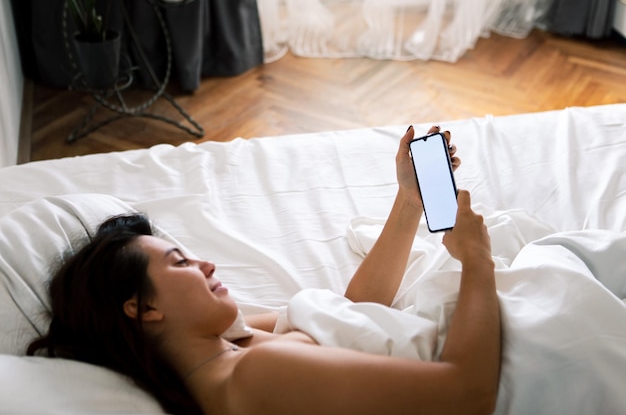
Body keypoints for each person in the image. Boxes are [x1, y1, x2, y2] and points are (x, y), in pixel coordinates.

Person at [27, 126, 500, 415]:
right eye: (181, 262)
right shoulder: (255, 374)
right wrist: (477, 261)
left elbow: (351, 312)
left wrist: (409, 203)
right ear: (145, 307)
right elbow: (468, 396)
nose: (205, 262)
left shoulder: (226, 344)